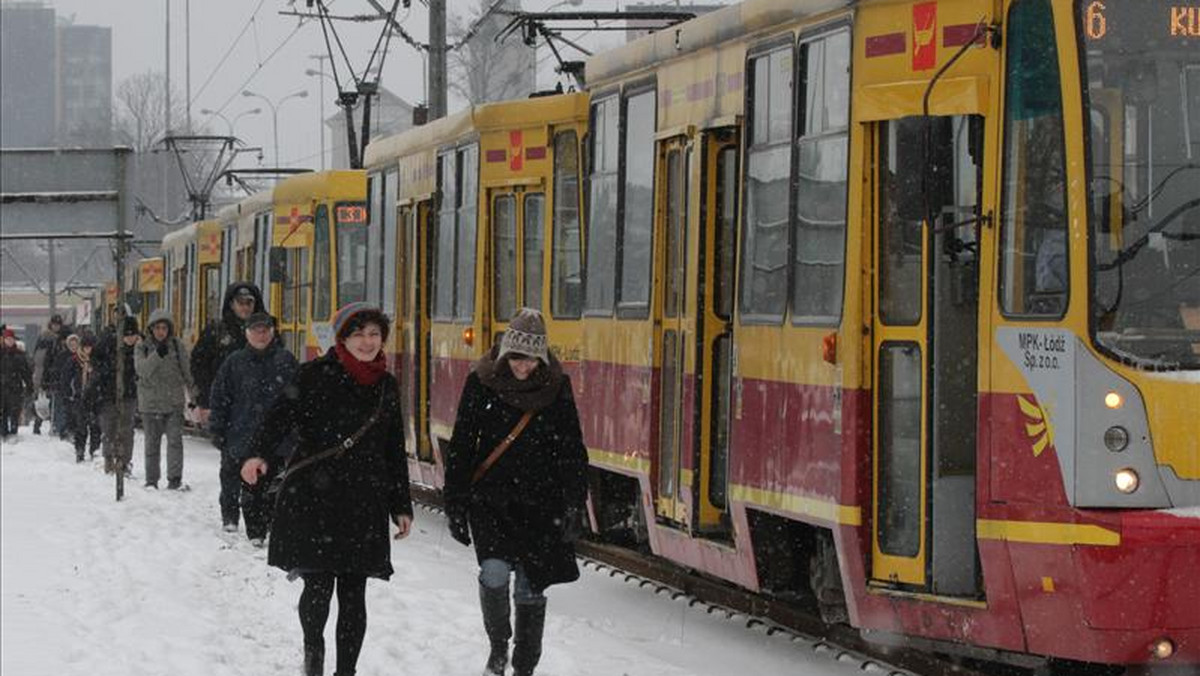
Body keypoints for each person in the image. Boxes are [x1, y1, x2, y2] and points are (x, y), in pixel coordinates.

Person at [242, 302, 412, 676]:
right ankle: (314, 658)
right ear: (342, 338)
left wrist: (401, 504)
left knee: (354, 594)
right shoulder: (313, 375)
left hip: (364, 501)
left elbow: (392, 448)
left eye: (374, 334)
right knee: (317, 588)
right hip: (314, 498)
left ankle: (346, 672)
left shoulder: (385, 385)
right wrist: (258, 455)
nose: (367, 342)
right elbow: (277, 419)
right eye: (358, 334)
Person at [444, 308, 589, 676]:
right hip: (491, 500)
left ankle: (525, 665)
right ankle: (498, 645)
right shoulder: (481, 382)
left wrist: (575, 502)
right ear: (505, 353)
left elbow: (571, 446)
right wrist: (455, 503)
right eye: (517, 359)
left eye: (530, 360)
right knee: (493, 574)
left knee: (530, 588)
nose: (523, 367)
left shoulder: (555, 386)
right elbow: (462, 443)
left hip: (541, 503)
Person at [208, 312, 298, 542]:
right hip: (239, 435)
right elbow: (219, 397)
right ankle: (233, 517)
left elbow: (298, 399)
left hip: (276, 440)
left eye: (265, 330)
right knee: (232, 480)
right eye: (256, 330)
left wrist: (295, 432)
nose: (261, 334)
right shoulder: (234, 362)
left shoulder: (285, 361)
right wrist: (217, 429)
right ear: (246, 333)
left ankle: (262, 527)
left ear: (272, 332)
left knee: (269, 485)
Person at [135, 309, 194, 490]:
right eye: (157, 328)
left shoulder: (177, 346)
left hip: (173, 403)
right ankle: (152, 480)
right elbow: (142, 371)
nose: (161, 332)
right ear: (151, 329)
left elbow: (187, 372)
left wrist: (195, 396)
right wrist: (157, 355)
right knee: (152, 445)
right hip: (150, 405)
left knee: (175, 442)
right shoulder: (142, 347)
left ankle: (174, 479)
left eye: (164, 328)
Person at [191, 283, 265, 425]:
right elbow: (199, 366)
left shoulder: (267, 331)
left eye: (249, 302)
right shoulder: (216, 332)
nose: (245, 307)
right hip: (225, 402)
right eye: (240, 302)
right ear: (231, 304)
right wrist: (206, 399)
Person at [89, 317, 141, 475]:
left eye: (133, 335)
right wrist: (109, 371)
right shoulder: (108, 344)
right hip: (107, 394)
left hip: (129, 393)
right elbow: (95, 361)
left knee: (127, 429)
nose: (130, 339)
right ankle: (109, 459)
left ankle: (124, 462)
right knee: (109, 427)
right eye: (127, 335)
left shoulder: (140, 347)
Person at [64, 332, 102, 462]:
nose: (87, 350)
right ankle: (79, 450)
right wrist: (68, 392)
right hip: (79, 397)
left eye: (90, 347)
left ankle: (94, 450)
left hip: (96, 397)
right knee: (80, 426)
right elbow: (66, 378)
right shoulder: (74, 360)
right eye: (85, 347)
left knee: (96, 426)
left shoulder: (98, 361)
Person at [32, 314, 67, 436]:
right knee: (45, 401)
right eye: (54, 324)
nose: (56, 327)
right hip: (47, 374)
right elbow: (40, 359)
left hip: (57, 374)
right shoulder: (45, 338)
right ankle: (40, 422)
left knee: (53, 401)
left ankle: (54, 425)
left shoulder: (63, 338)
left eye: (58, 325)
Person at [1, 327, 34, 439]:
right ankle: (3, 432)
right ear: (4, 340)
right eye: (7, 339)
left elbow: (26, 373)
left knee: (14, 411)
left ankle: (13, 431)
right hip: (2, 387)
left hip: (15, 387)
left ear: (14, 340)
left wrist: (30, 386)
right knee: (3, 411)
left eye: (11, 339)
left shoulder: (19, 355)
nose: (9, 341)